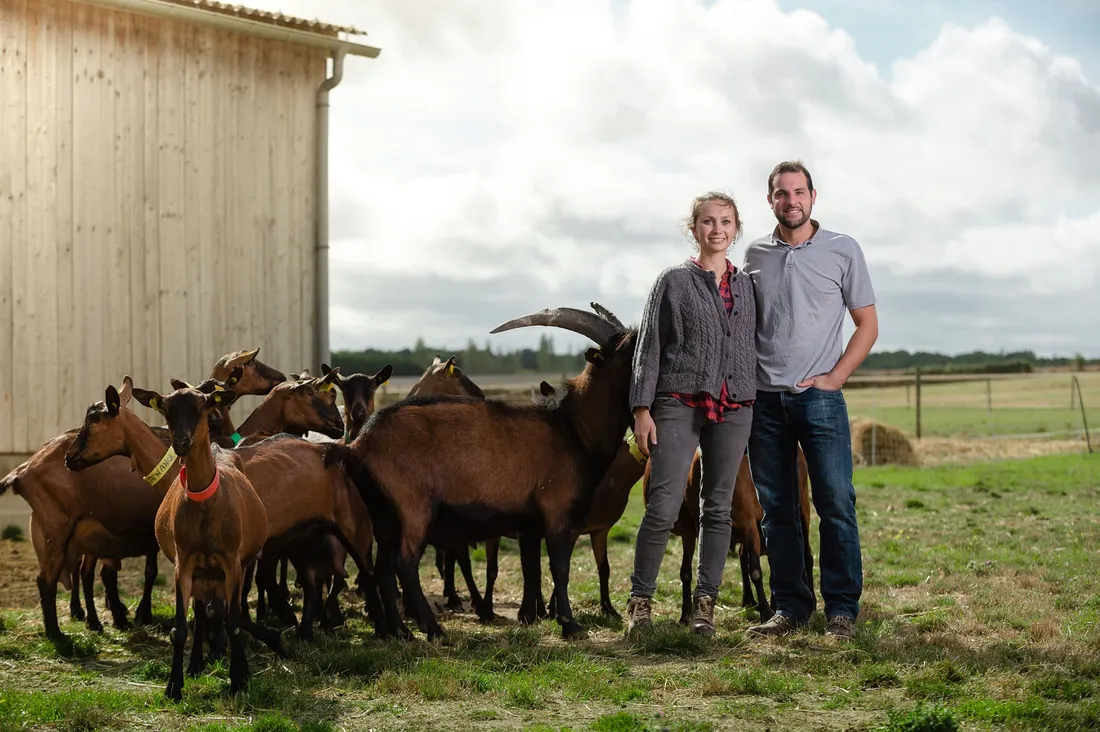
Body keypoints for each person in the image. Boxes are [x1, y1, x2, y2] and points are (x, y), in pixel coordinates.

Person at [741, 160, 879, 640]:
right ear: (770, 200)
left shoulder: (843, 249)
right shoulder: (754, 254)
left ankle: (842, 609)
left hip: (818, 400)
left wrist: (835, 377)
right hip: (764, 402)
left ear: (813, 196)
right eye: (782, 193)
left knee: (835, 502)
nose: (791, 200)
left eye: (799, 192)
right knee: (776, 509)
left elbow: (867, 324)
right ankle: (791, 608)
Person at [626, 191, 758, 638]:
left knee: (718, 510)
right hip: (678, 402)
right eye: (707, 221)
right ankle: (640, 604)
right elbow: (649, 348)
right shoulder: (673, 281)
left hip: (735, 405)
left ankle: (705, 607)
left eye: (725, 222)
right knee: (662, 506)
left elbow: (752, 344)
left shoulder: (747, 286)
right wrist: (642, 409)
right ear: (694, 228)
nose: (716, 229)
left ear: (736, 229)